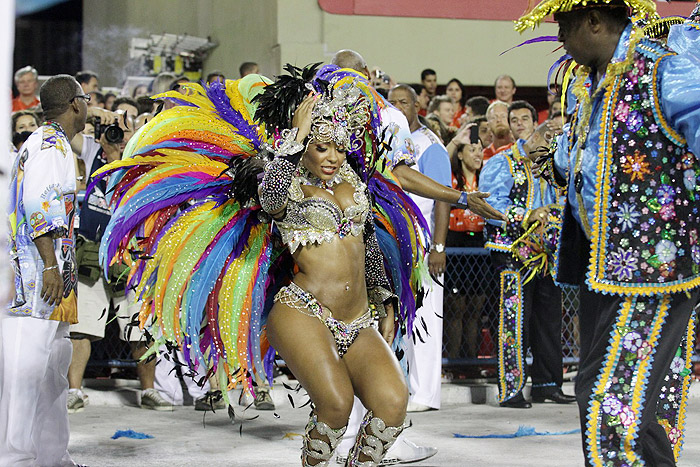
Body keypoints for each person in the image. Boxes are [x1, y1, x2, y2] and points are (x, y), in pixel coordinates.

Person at [516, 0, 700, 463]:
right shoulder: (592, 88)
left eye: (564, 25)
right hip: (605, 269)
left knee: (607, 399)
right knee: (634, 404)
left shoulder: (661, 72)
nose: (558, 39)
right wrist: (551, 162)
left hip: (654, 269)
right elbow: (587, 166)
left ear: (595, 21)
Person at [1, 74, 86, 467]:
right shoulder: (50, 145)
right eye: (85, 99)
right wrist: (51, 265)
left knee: (52, 368)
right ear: (74, 103)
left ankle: (52, 456)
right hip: (37, 275)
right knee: (28, 366)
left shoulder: (50, 142)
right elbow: (38, 205)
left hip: (51, 275)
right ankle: (16, 456)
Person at [66, 108, 174, 413]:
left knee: (140, 326)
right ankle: (74, 391)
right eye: (117, 132)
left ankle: (148, 392)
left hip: (130, 254)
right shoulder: (91, 151)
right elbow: (69, 134)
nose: (120, 137)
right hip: (91, 251)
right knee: (82, 326)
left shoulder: (142, 161)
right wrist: (98, 116)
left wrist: (129, 139)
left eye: (126, 132)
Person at [480, 123, 575, 409]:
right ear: (535, 136)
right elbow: (491, 206)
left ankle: (548, 385)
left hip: (546, 253)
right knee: (514, 320)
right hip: (511, 253)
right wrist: (527, 214)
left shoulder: (555, 168)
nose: (551, 150)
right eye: (548, 142)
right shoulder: (503, 162)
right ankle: (511, 390)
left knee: (549, 319)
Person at [389, 84, 450, 415]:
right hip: (398, 244)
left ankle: (425, 393)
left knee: (426, 318)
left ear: (417, 106)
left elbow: (443, 197)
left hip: (425, 247)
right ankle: (403, 387)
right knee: (402, 319)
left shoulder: (430, 145)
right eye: (392, 102)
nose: (397, 107)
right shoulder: (392, 140)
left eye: (404, 102)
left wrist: (439, 246)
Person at [444, 124, 486, 359]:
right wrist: (454, 142)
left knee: (476, 308)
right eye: (472, 149)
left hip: (480, 242)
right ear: (460, 153)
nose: (478, 154)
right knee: (456, 307)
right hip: (456, 242)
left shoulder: (487, 178)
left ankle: (471, 361)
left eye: (480, 150)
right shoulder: (449, 179)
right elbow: (442, 159)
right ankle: (453, 361)